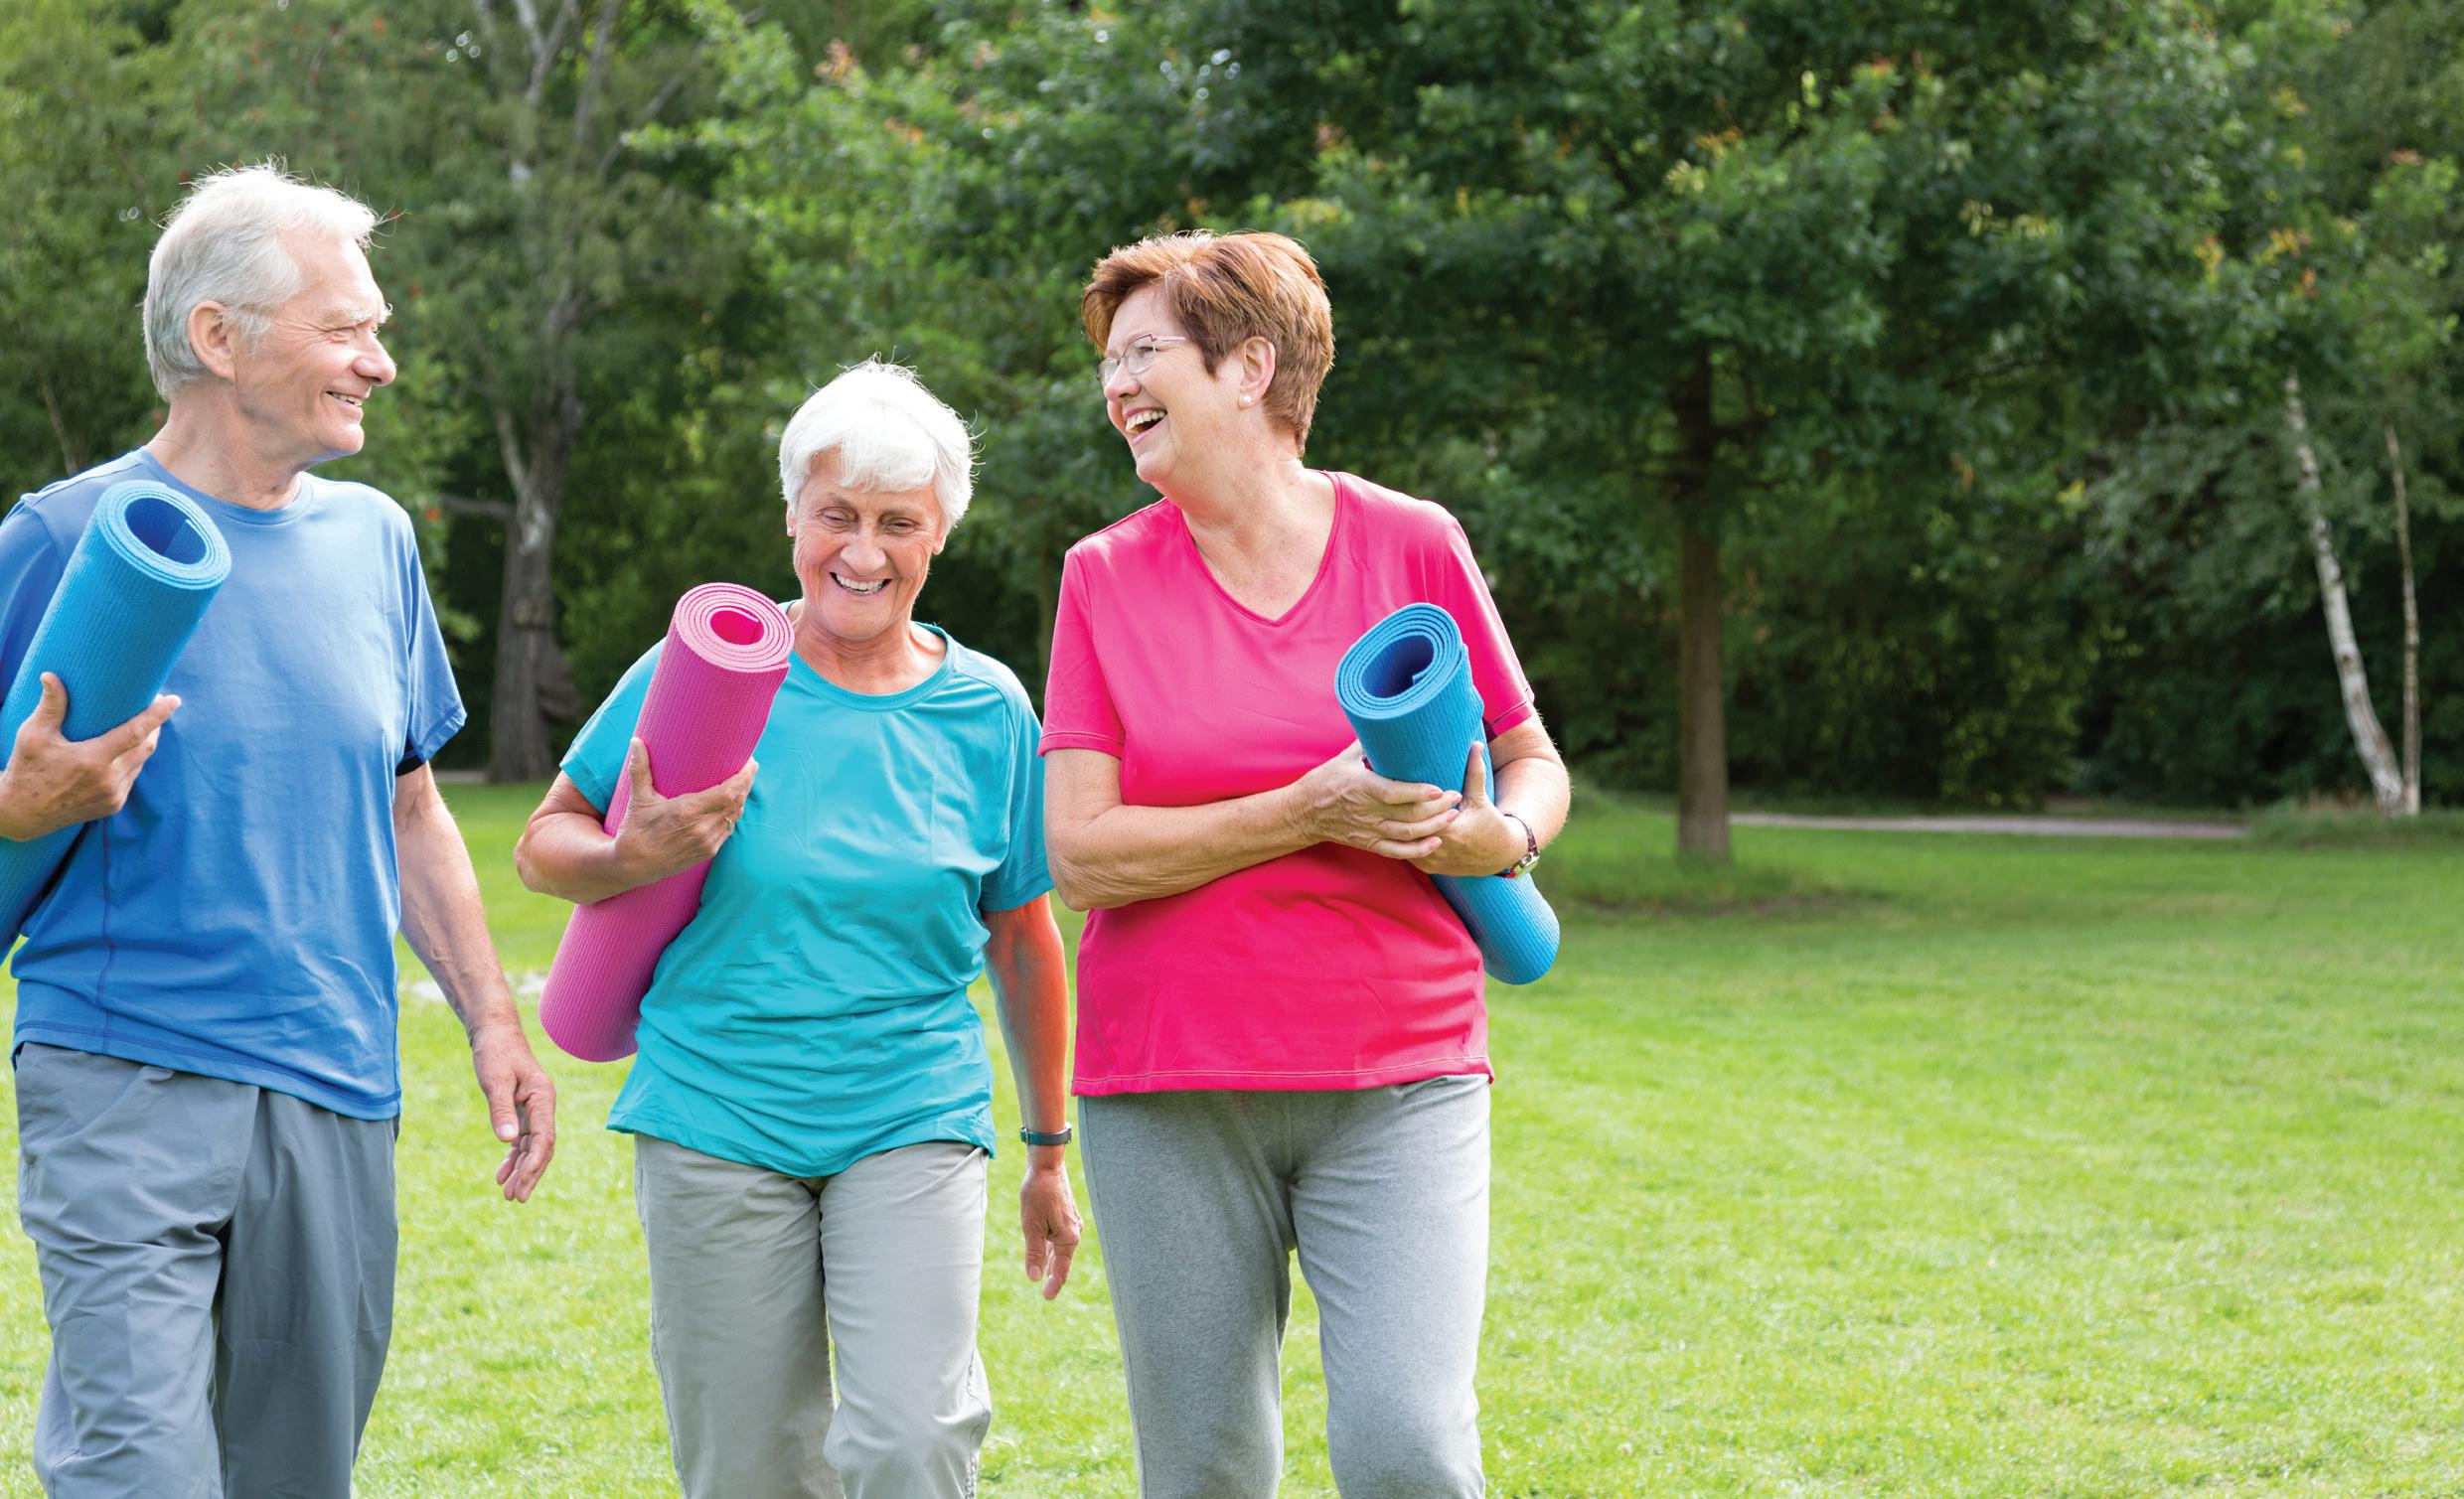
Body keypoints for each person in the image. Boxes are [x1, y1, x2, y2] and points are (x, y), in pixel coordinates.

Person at [0, 163, 558, 1497]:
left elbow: (411, 802)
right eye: (346, 327)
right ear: (218, 337)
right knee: (139, 1470)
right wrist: (21, 805)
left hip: (336, 1081)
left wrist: (490, 1017)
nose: (381, 361)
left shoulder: (376, 541)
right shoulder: (62, 538)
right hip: (122, 1070)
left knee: (296, 1474)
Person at [1041, 229, 1572, 1497]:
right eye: (1109, 363)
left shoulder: (1414, 543)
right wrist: (1304, 810)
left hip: (1400, 1073)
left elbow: (1531, 759)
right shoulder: (1102, 577)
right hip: (1169, 1085)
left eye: (1145, 352)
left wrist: (1504, 838)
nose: (1118, 384)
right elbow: (1081, 858)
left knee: (1409, 1448)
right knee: (1207, 1469)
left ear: (1249, 367)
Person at [513, 360, 1079, 1499]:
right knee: (748, 1467)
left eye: (898, 522)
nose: (862, 552)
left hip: (909, 1111)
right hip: (715, 1111)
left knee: (912, 1439)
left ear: (940, 534)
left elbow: (1023, 939)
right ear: (791, 519)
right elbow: (542, 844)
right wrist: (631, 857)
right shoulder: (707, 673)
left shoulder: (991, 711)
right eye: (836, 515)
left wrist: (1049, 1153)